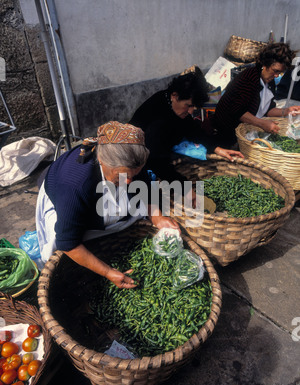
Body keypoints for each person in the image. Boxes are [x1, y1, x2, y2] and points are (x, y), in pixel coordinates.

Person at [35, 121, 179, 289]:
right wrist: (108, 272)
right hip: (62, 196)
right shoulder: (75, 185)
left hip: (98, 183)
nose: (129, 182)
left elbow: (144, 184)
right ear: (102, 160)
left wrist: (157, 216)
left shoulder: (128, 164)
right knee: (66, 237)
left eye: (135, 174)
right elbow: (67, 242)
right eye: (122, 176)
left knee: (129, 203)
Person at [129, 69, 244, 184]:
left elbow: (193, 130)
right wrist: (184, 187)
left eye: (193, 107)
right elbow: (157, 162)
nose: (190, 112)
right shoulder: (158, 119)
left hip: (157, 154)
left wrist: (216, 148)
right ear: (174, 96)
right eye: (188, 105)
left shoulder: (176, 106)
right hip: (136, 161)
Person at [212, 42, 300, 148]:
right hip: (227, 135)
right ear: (264, 64)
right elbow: (238, 111)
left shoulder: (269, 81)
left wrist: (286, 111)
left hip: (248, 134)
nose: (276, 75)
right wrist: (262, 124)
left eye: (280, 73)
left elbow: (268, 109)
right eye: (275, 71)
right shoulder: (249, 79)